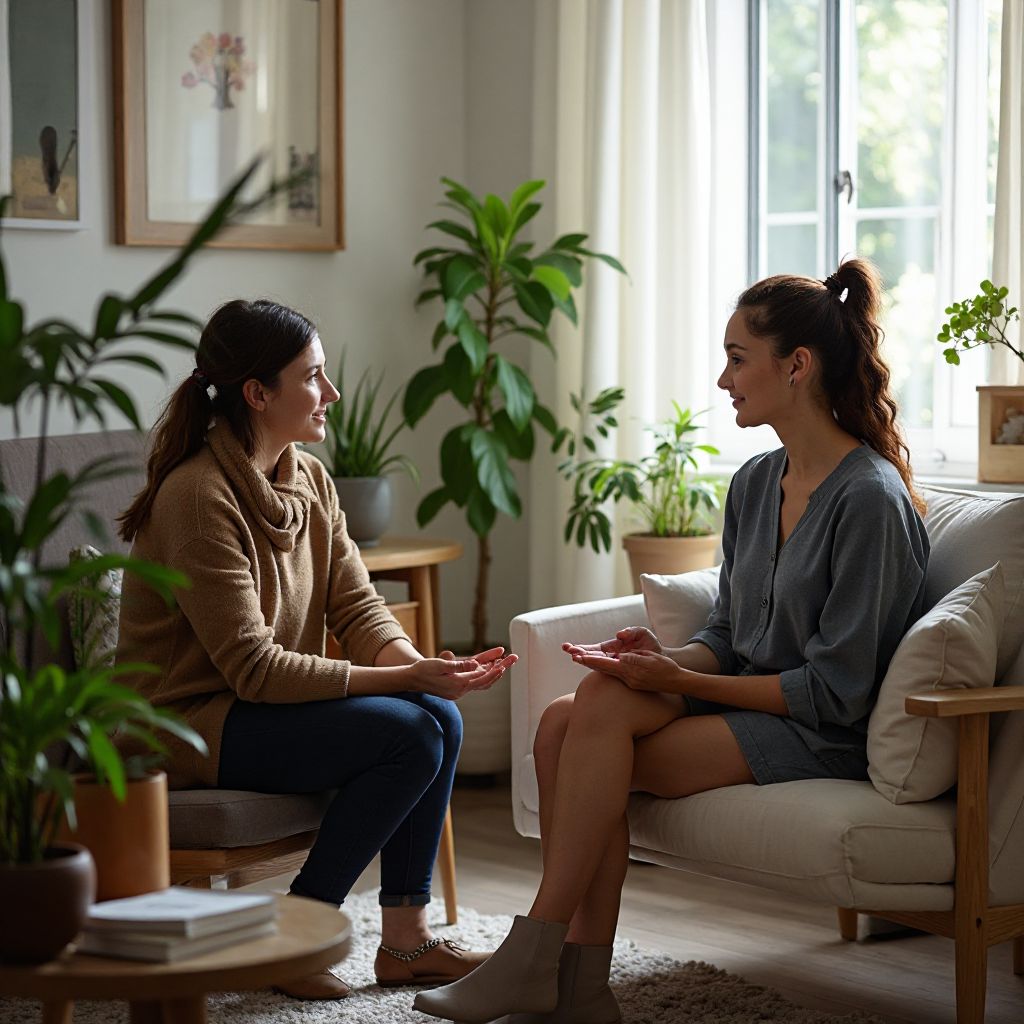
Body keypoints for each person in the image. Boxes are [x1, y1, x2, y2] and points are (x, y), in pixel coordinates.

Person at [412, 257, 930, 1024]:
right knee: (570, 716)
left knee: (581, 739)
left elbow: (834, 692)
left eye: (737, 359)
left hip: (820, 732)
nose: (724, 380)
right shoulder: (755, 483)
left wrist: (680, 684)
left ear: (797, 367)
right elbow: (727, 634)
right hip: (747, 707)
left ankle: (540, 958)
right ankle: (579, 986)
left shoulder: (871, 501)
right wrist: (662, 662)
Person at [115, 298, 516, 1001]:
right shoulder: (198, 498)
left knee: (439, 716)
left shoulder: (309, 480)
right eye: (312, 376)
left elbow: (357, 607)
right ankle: (298, 937)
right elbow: (254, 668)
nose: (330, 392)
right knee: (411, 735)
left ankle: (407, 942)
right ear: (257, 393)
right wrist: (408, 679)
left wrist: (422, 670)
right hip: (189, 726)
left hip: (253, 712)